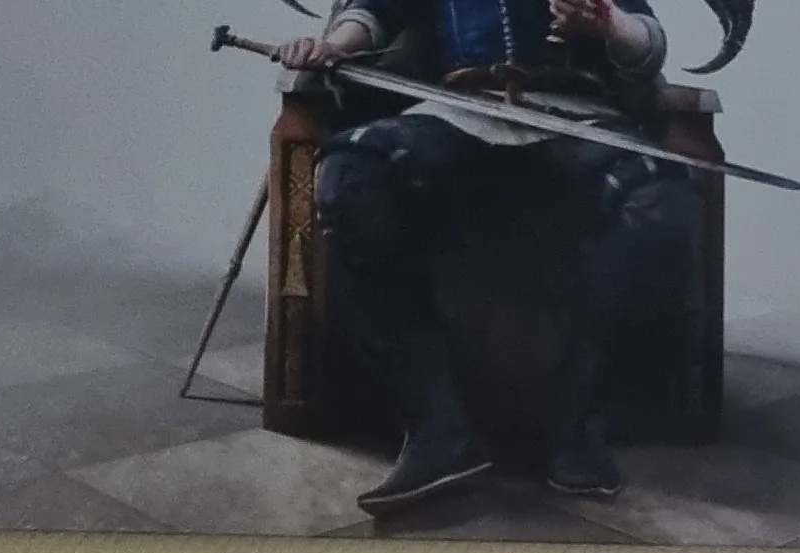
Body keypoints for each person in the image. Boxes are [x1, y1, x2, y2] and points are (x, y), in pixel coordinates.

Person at [277, 0, 699, 512]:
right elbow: (374, 12)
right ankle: (438, 425)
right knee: (349, 177)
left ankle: (577, 425)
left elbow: (648, 46)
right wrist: (331, 46)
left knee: (664, 203)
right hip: (460, 111)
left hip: (577, 117)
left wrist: (608, 23)